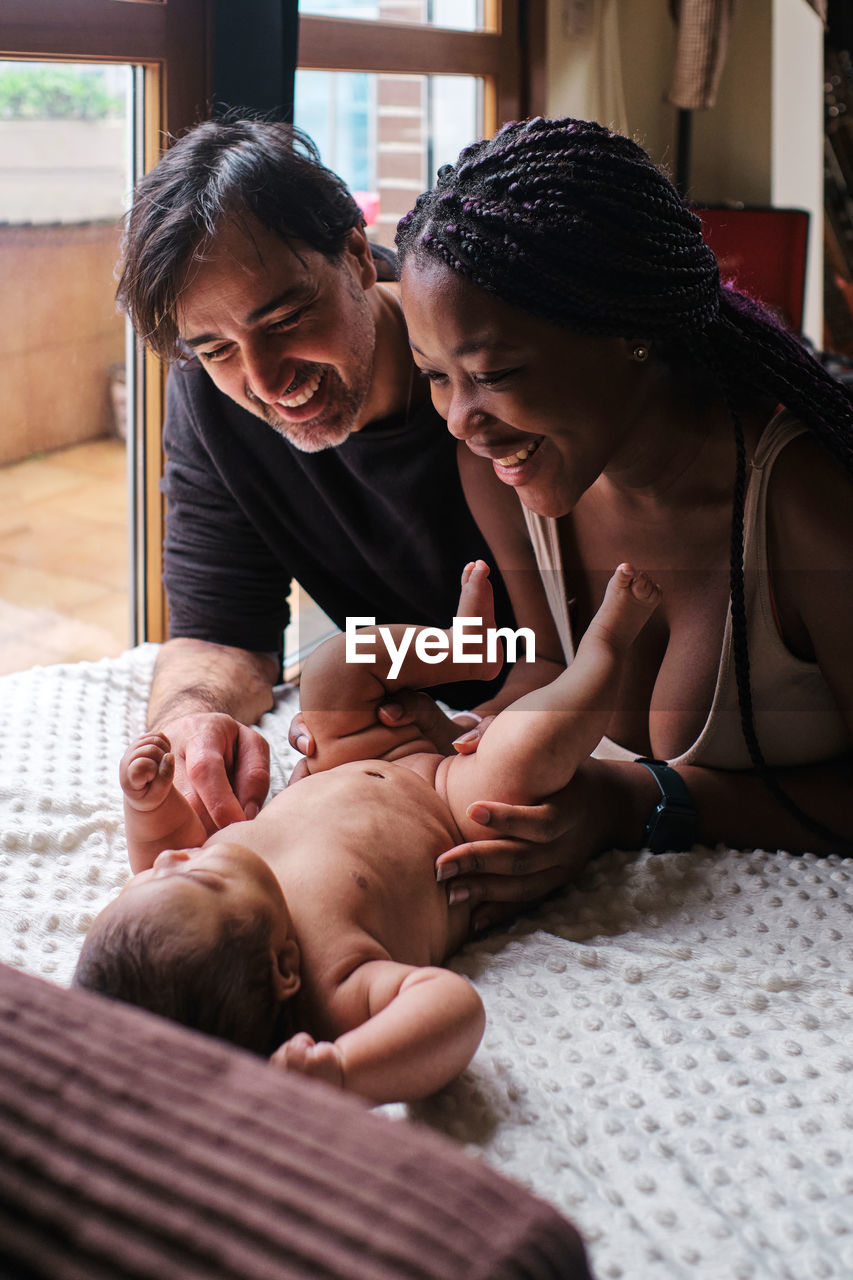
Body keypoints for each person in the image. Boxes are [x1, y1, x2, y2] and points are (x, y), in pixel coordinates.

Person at [392, 115, 853, 913]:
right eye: (434, 376)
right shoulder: (500, 473)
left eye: (493, 371)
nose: (460, 419)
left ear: (627, 334)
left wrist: (630, 802)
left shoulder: (802, 506)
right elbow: (541, 671)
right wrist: (451, 741)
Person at [73, 560, 661, 1103]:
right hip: (453, 802)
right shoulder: (334, 985)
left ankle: (465, 650)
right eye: (195, 876)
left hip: (355, 752)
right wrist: (347, 1072)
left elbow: (161, 849)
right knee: (525, 754)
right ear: (283, 967)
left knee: (334, 667)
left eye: (146, 881)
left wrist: (147, 802)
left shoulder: (186, 879)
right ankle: (604, 651)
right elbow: (453, 1010)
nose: (174, 862)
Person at [115, 116, 542, 839]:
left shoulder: (488, 362)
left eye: (284, 317)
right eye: (216, 348)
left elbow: (603, 626)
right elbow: (220, 629)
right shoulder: (212, 400)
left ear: (354, 254)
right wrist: (192, 721)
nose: (263, 381)